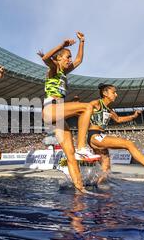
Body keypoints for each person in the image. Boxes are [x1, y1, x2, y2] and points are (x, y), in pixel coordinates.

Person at [39, 32, 100, 194]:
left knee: (71, 155)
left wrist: (82, 42)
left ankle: (80, 189)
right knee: (86, 107)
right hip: (50, 108)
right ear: (58, 59)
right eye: (67, 56)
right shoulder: (53, 69)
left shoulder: (64, 73)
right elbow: (45, 59)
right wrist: (62, 46)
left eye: (69, 57)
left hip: (58, 115)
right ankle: (82, 146)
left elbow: (79, 60)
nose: (70, 59)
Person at [85, 84, 144, 184]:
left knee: (106, 167)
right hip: (94, 136)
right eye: (113, 92)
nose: (116, 94)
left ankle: (93, 185)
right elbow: (81, 111)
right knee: (128, 144)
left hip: (100, 136)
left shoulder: (109, 110)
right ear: (105, 93)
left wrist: (133, 116)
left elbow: (118, 119)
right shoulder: (96, 104)